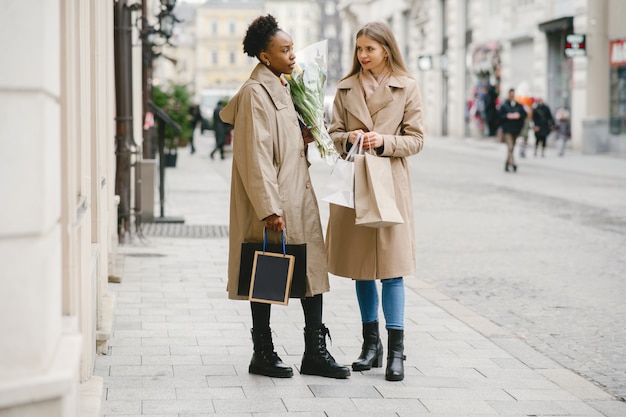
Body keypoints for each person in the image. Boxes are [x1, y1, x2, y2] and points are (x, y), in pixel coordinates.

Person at [218, 14, 350, 380]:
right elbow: (254, 155)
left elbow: (281, 141)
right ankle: (262, 351)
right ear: (264, 55)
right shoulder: (253, 94)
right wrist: (268, 209)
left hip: (299, 195)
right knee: (266, 270)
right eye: (285, 50)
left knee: (311, 271)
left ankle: (315, 352)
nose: (293, 55)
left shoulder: (282, 87)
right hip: (276, 201)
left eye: (292, 48)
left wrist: (305, 135)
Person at [325, 21, 424, 381]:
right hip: (354, 183)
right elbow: (332, 133)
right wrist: (348, 136)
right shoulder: (345, 88)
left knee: (392, 268)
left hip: (389, 186)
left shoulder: (407, 87)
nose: (363, 55)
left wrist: (382, 141)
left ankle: (396, 350)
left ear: (386, 49)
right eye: (359, 49)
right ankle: (371, 346)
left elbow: (416, 139)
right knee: (361, 267)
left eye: (370, 48)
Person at [498, 88, 527, 172]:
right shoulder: (504, 105)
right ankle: (513, 164)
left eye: (513, 94)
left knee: (512, 147)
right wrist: (508, 116)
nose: (512, 96)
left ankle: (507, 164)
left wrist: (518, 115)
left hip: (516, 129)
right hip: (507, 130)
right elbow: (499, 116)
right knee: (510, 146)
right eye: (511, 94)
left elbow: (524, 114)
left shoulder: (518, 105)